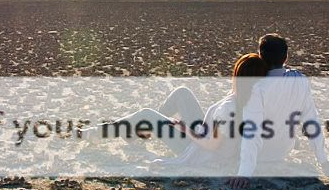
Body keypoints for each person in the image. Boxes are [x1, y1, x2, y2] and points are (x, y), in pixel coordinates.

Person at [80, 54, 268, 170]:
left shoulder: (229, 108)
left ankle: (99, 133)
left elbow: (212, 146)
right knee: (182, 93)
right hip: (206, 133)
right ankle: (140, 131)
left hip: (195, 148)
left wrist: (186, 130)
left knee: (147, 114)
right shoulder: (252, 98)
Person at [227, 34, 329, 189]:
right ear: (286, 57)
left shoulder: (257, 88)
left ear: (260, 56)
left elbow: (252, 131)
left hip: (260, 155)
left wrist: (244, 173)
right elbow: (312, 121)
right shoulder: (300, 80)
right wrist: (323, 161)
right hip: (283, 151)